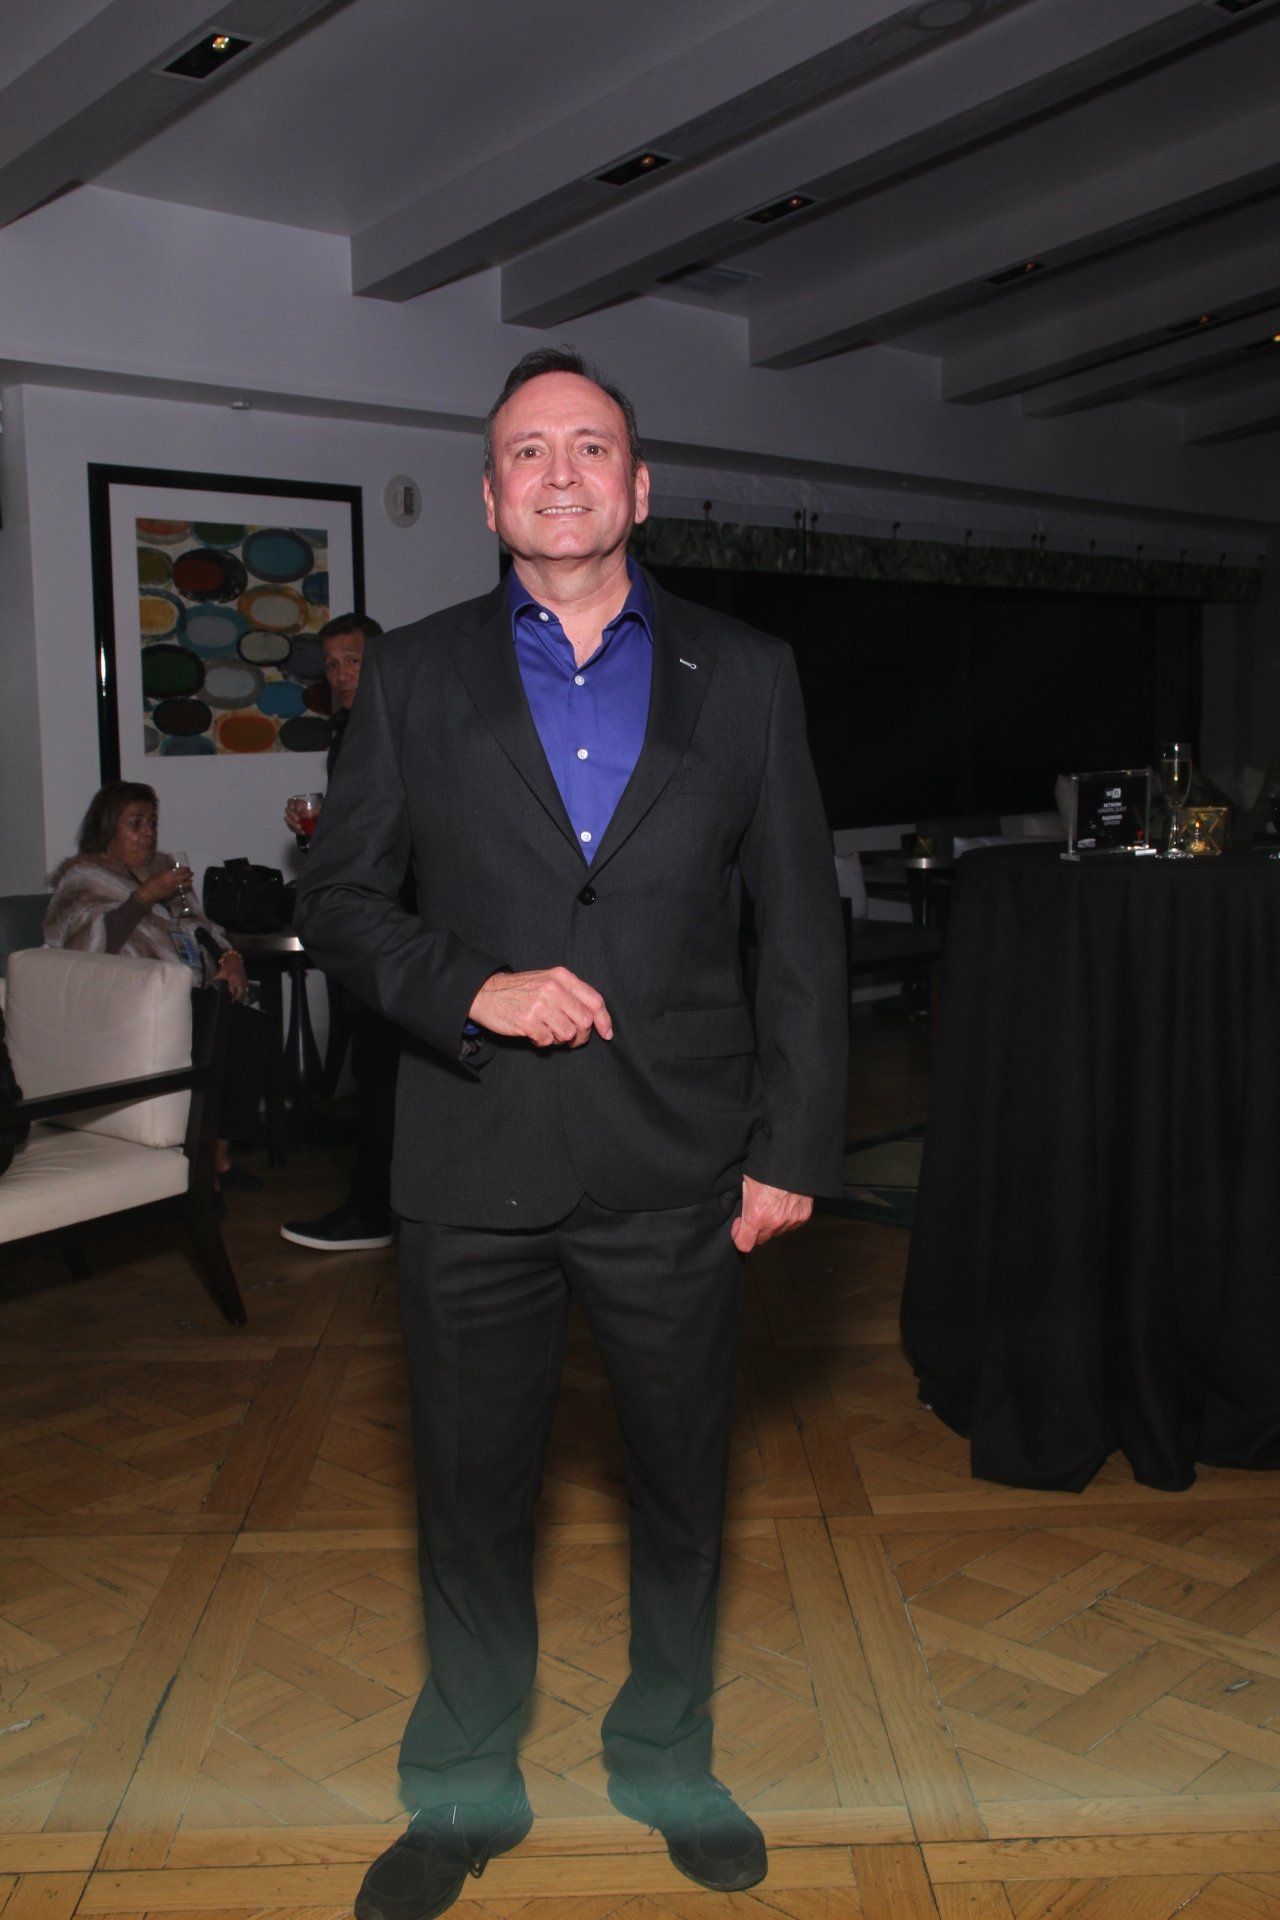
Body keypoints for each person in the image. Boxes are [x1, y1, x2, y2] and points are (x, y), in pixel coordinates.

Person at [296, 347, 846, 1920]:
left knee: (682, 1494)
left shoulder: (749, 672)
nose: (559, 471)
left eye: (590, 446)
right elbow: (342, 902)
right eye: (527, 450)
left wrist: (796, 1143)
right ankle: (463, 1794)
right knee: (472, 1507)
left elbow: (800, 923)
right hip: (472, 1158)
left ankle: (666, 1759)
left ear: (639, 486)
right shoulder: (414, 676)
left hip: (683, 1161)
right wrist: (472, 986)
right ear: (489, 499)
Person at [44, 782, 263, 1189]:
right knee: (218, 1033)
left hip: (191, 991)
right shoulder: (83, 878)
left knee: (246, 1026)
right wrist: (145, 896)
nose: (147, 833)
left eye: (152, 822)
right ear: (108, 827)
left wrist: (231, 960)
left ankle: (219, 1156)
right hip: (130, 1006)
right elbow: (88, 948)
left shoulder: (164, 871)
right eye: (135, 823)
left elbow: (203, 929)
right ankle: (200, 1168)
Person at [279, 613, 402, 1252]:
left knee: (384, 1071)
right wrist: (319, 836)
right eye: (331, 665)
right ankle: (380, 1205)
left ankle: (374, 1210)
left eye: (352, 660)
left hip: (402, 926)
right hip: (369, 921)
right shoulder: (346, 735)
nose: (341, 674)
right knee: (377, 1070)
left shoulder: (405, 722)